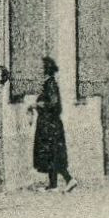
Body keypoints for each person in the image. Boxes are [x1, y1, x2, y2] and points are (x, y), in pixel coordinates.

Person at [32, 58, 76, 193]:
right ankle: (55, 184)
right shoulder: (48, 83)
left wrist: (37, 105)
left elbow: (54, 104)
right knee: (53, 154)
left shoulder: (50, 84)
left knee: (52, 153)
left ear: (45, 70)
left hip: (50, 125)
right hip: (50, 124)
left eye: (40, 68)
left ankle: (65, 181)